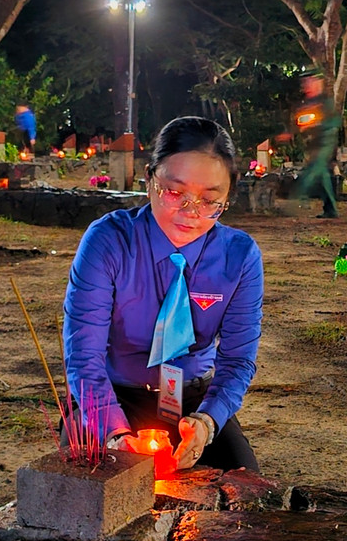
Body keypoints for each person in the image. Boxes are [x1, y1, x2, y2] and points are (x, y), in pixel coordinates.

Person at [62, 116, 264, 472]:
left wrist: (207, 423)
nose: (190, 212)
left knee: (245, 490)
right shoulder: (109, 242)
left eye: (209, 200)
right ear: (149, 180)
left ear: (227, 197)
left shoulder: (239, 256)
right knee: (86, 490)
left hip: (194, 401)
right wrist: (116, 434)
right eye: (174, 192)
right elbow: (84, 356)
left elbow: (237, 360)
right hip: (114, 396)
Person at [291, 73, 340, 218]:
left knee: (312, 171)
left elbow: (334, 122)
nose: (307, 85)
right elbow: (299, 122)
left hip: (325, 142)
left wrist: (317, 125)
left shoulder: (325, 102)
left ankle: (295, 200)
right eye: (305, 82)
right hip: (313, 144)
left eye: (310, 82)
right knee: (322, 176)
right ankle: (330, 209)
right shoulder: (306, 103)